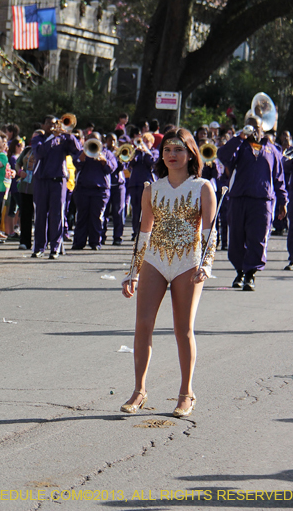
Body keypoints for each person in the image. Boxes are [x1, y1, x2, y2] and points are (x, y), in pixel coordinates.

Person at [120, 128, 217, 418]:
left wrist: (206, 265)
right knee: (143, 325)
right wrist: (132, 272)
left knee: (183, 329)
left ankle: (186, 392)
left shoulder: (203, 187)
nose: (172, 155)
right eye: (167, 150)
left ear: (190, 154)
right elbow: (143, 232)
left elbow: (210, 231)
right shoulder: (152, 189)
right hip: (155, 259)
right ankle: (139, 390)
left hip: (188, 262)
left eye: (178, 150)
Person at [217, 117, 287, 290]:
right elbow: (222, 155)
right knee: (236, 239)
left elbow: (279, 178)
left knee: (257, 239)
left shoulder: (272, 150)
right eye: (250, 127)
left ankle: (250, 275)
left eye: (257, 127)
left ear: (263, 129)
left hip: (263, 201)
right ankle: (239, 272)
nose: (254, 130)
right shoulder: (239, 147)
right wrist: (239, 137)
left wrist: (283, 201)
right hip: (238, 198)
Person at [32, 115, 82, 259]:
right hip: (41, 180)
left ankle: (55, 248)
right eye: (48, 124)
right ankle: (39, 247)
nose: (52, 126)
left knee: (57, 216)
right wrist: (54, 138)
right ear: (43, 126)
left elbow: (77, 150)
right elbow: (40, 153)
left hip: (58, 180)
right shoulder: (38, 139)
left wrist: (68, 134)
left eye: (55, 124)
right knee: (40, 215)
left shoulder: (63, 139)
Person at [71, 132, 116, 250]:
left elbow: (112, 168)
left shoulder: (107, 153)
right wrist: (83, 157)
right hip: (83, 189)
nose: (92, 141)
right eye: (90, 139)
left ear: (101, 141)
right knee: (81, 216)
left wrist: (104, 161)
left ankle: (95, 242)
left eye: (95, 139)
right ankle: (79, 242)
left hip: (100, 190)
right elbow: (76, 163)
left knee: (96, 217)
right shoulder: (82, 152)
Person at [127, 132, 158, 237]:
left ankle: (147, 231)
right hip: (135, 183)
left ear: (152, 143)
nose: (143, 143)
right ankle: (136, 231)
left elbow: (152, 163)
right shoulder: (137, 152)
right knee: (136, 209)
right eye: (142, 141)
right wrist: (135, 153)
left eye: (146, 141)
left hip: (148, 183)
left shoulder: (154, 152)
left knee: (147, 209)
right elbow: (130, 164)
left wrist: (147, 152)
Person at [102, 133, 126, 246]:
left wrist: (120, 159)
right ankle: (101, 236)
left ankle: (118, 237)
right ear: (106, 141)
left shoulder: (120, 152)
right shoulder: (104, 152)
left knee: (118, 212)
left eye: (114, 140)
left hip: (118, 185)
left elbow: (124, 167)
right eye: (110, 140)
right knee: (104, 212)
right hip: (106, 185)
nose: (112, 143)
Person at [15, 143, 36, 251]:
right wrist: (20, 171)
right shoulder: (27, 149)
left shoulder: (44, 150)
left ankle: (41, 242)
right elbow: (17, 163)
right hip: (25, 188)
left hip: (38, 188)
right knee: (25, 216)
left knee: (40, 217)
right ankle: (25, 241)